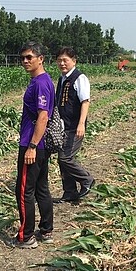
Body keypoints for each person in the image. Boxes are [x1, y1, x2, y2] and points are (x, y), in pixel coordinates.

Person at [14, 41, 55, 248]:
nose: (25, 61)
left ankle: (26, 236)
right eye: (22, 58)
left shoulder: (40, 83)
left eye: (29, 57)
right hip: (39, 145)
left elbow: (43, 117)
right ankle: (46, 230)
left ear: (41, 59)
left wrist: (31, 146)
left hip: (32, 144)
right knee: (41, 188)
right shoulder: (43, 80)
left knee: (24, 191)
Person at [54, 47, 95, 203]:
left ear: (74, 61)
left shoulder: (79, 78)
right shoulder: (62, 78)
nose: (62, 63)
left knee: (65, 158)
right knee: (62, 159)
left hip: (74, 125)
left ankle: (87, 180)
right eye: (59, 60)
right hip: (64, 126)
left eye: (65, 60)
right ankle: (69, 192)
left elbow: (85, 101)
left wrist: (81, 124)